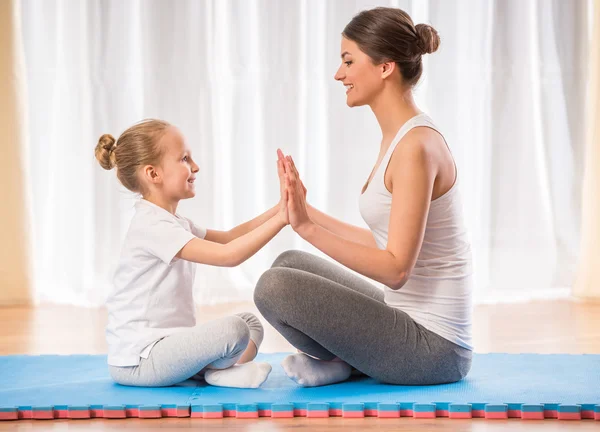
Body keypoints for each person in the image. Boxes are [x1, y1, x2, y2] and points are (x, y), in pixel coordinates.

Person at [255, 7, 474, 387]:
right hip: (405, 322)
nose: (339, 74)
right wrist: (308, 214)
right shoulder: (402, 137)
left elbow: (395, 270)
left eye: (348, 61)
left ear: (385, 66)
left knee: (275, 288)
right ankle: (347, 362)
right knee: (288, 261)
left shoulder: (415, 148)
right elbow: (385, 242)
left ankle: (347, 362)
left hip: (434, 350)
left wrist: (307, 228)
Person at [95, 119, 290, 388]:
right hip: (140, 360)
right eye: (185, 159)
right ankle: (216, 373)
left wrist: (283, 206)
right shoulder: (152, 226)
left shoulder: (174, 222)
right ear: (153, 174)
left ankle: (215, 372)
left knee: (250, 323)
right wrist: (283, 218)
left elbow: (230, 238)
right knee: (235, 330)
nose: (195, 166)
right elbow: (229, 256)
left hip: (167, 347)